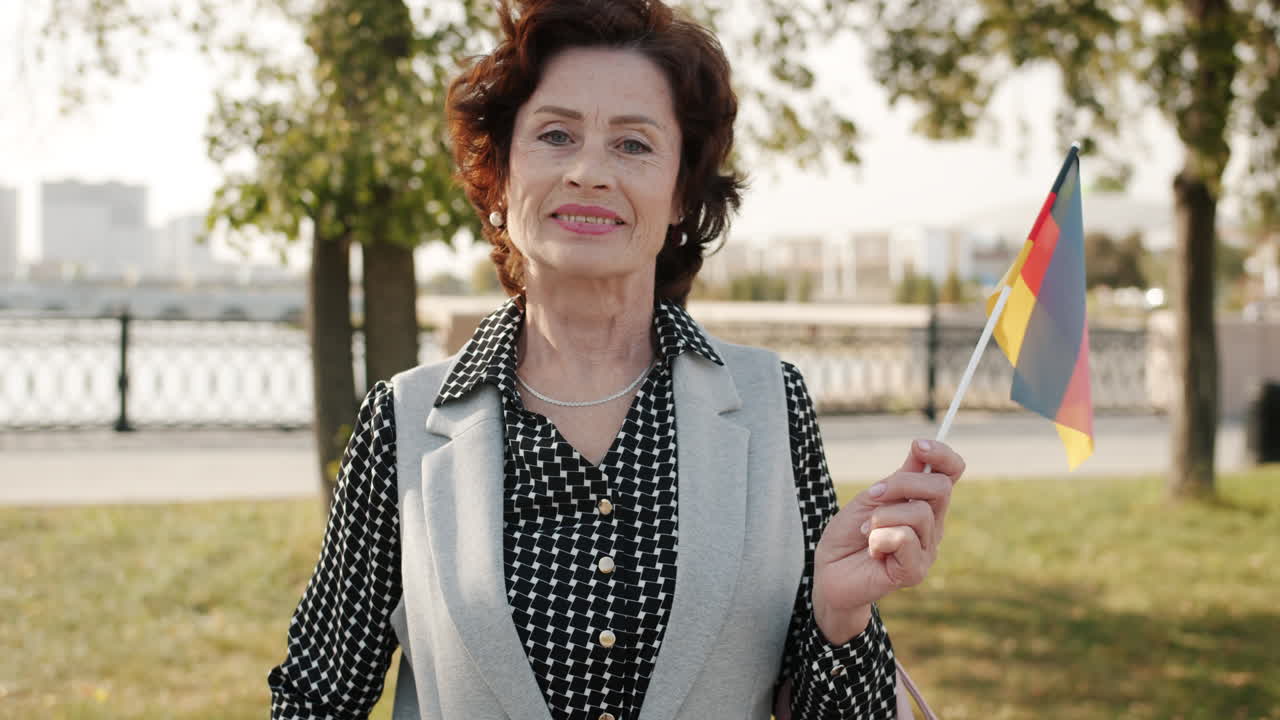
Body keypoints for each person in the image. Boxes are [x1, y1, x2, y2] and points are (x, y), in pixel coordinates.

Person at [268, 0, 965, 717]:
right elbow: (317, 696)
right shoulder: (403, 421)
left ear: (678, 195)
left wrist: (840, 621)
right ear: (502, 179)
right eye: (556, 135)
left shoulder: (771, 402)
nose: (589, 172)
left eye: (633, 145)